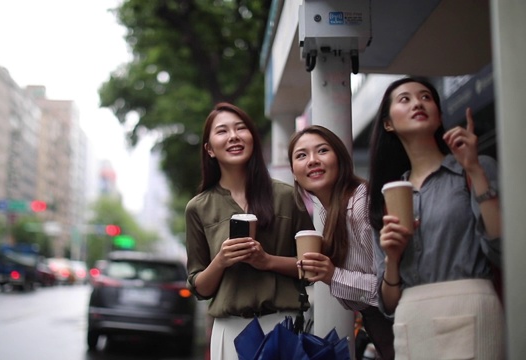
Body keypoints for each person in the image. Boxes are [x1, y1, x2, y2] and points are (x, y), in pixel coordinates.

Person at [367, 77, 504, 359]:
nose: (418, 102)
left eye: (427, 97)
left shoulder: (475, 168)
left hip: (470, 308)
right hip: (411, 319)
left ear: (439, 114)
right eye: (405, 99)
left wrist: (475, 169)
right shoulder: (387, 197)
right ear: (388, 123)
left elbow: (503, 248)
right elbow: (389, 304)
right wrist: (392, 258)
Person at [185, 102, 315, 359]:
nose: (233, 136)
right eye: (222, 131)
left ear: (252, 138)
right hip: (229, 330)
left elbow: (310, 269)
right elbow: (200, 287)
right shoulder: (198, 208)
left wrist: (267, 261)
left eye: (241, 128)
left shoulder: (287, 196)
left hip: (283, 327)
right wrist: (221, 261)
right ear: (210, 149)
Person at [288, 125, 394, 360]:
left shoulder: (360, 204)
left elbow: (390, 287)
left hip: (397, 324)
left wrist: (333, 275)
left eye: (322, 151)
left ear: (341, 159)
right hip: (378, 328)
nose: (313, 161)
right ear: (294, 172)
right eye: (301, 155)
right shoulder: (328, 212)